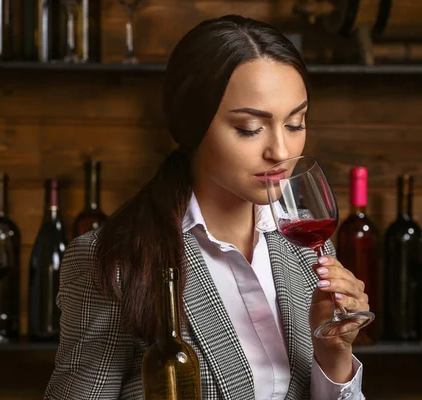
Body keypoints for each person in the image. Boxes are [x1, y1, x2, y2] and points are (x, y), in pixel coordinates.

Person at [45, 14, 370, 400]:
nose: (280, 152)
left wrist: (333, 355)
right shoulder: (114, 262)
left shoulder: (305, 252)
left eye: (296, 123)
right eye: (250, 128)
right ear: (192, 125)